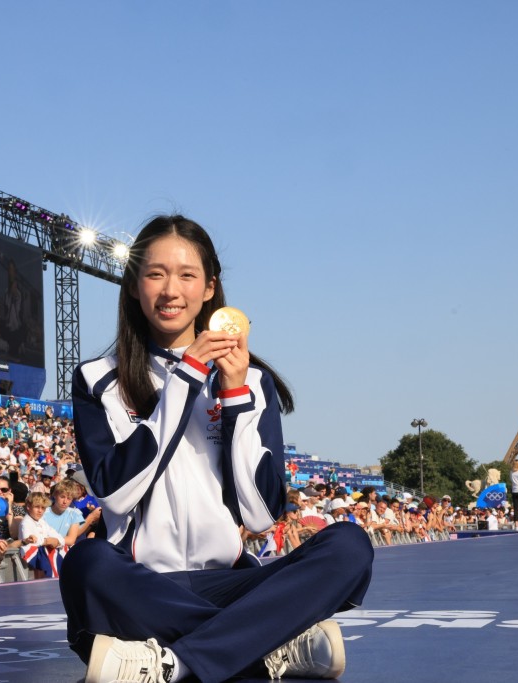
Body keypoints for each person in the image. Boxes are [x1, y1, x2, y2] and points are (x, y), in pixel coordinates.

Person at [60, 215, 373, 683]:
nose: (170, 290)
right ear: (133, 285)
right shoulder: (96, 379)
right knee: (86, 564)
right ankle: (271, 642)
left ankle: (173, 662)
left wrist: (233, 397)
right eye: (155, 273)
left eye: (187, 275)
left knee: (350, 546)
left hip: (229, 583)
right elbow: (116, 494)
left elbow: (262, 515)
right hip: (140, 585)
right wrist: (185, 379)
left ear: (209, 288)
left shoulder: (252, 381)